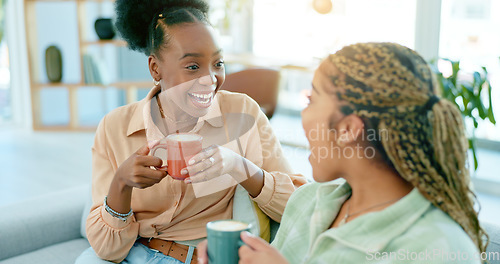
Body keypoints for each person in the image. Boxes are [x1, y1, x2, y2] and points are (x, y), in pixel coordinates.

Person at [198, 42, 489, 264]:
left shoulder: (441, 248)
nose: (303, 116)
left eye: (311, 99)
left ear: (349, 128)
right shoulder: (308, 203)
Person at [75, 0, 305, 263]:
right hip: (135, 255)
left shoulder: (243, 112)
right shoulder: (114, 126)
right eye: (193, 67)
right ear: (155, 68)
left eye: (218, 63)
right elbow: (106, 249)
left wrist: (239, 167)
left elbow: (300, 206)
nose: (210, 78)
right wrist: (121, 184)